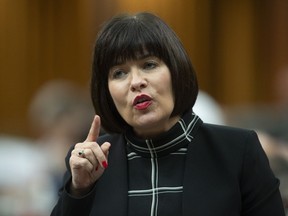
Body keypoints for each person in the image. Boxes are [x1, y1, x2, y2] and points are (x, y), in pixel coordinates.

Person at [51, 12, 285, 215]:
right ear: (106, 90)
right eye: (119, 73)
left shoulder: (238, 151)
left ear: (176, 70)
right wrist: (79, 191)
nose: (136, 82)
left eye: (149, 65)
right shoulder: (92, 162)